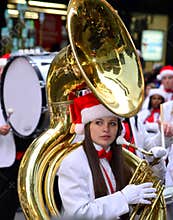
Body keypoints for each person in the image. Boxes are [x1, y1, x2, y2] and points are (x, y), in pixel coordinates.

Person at [57, 92, 165, 220]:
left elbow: (153, 188)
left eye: (112, 123)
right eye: (99, 122)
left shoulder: (121, 157)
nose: (106, 129)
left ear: (119, 128)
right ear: (87, 127)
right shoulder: (72, 162)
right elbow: (79, 214)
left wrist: (156, 163)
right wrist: (123, 198)